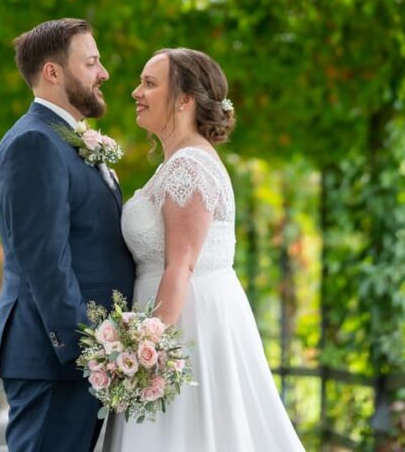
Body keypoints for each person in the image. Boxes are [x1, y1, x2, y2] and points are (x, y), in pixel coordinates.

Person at [102, 47, 306, 452]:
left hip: (187, 325)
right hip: (178, 316)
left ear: (184, 99)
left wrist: (148, 354)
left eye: (149, 83)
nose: (135, 92)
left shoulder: (189, 166)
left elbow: (181, 265)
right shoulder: (176, 162)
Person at [0, 18, 135, 452]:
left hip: (77, 360)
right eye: (91, 62)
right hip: (56, 358)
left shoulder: (64, 139)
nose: (104, 73)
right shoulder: (33, 143)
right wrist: (86, 350)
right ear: (53, 72)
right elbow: (45, 260)